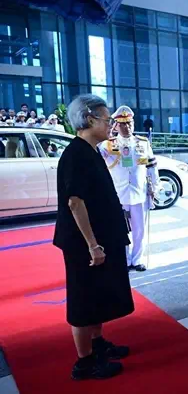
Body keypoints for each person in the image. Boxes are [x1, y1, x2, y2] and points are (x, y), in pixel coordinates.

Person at [52, 94, 133, 380]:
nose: (112, 124)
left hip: (101, 238)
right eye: (107, 119)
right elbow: (75, 203)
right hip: (84, 244)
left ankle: (98, 345)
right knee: (83, 300)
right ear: (89, 119)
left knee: (99, 294)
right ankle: (84, 362)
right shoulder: (76, 155)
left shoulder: (91, 150)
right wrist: (93, 245)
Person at [99, 106, 158, 272]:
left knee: (139, 230)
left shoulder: (143, 143)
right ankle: (124, 260)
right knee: (120, 230)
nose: (127, 127)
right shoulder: (107, 145)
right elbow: (98, 163)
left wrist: (154, 186)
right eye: (123, 124)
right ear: (116, 126)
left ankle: (137, 259)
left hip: (139, 192)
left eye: (129, 123)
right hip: (118, 194)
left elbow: (151, 166)